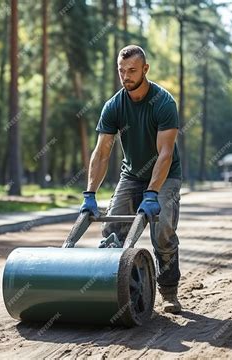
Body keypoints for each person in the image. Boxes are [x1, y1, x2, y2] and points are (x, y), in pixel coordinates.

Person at [80, 45, 183, 314]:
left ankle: (169, 292)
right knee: (113, 229)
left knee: (162, 232)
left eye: (132, 71)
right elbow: (102, 152)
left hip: (166, 174)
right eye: (121, 70)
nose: (125, 76)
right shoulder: (114, 106)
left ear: (145, 69)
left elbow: (165, 152)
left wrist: (152, 193)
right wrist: (90, 194)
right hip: (132, 175)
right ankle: (111, 292)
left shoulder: (163, 103)